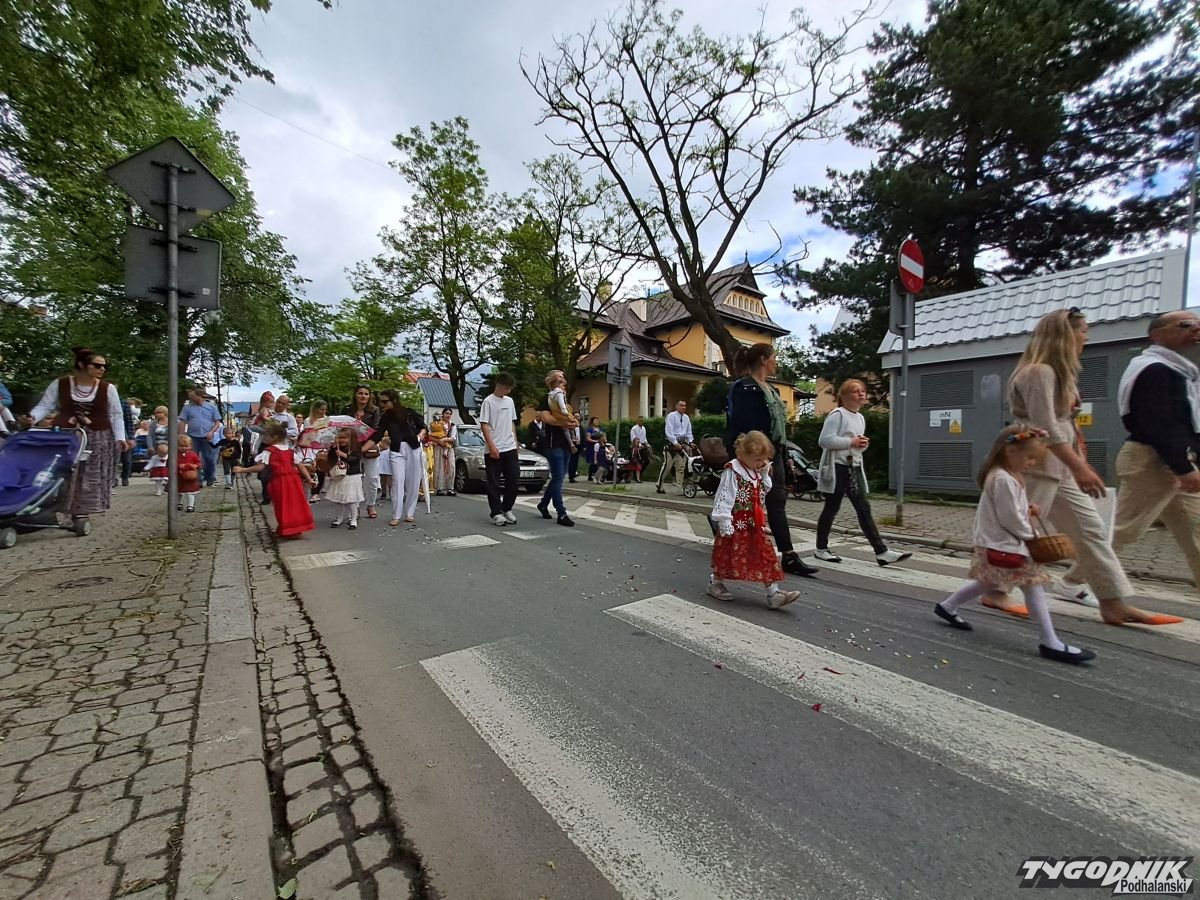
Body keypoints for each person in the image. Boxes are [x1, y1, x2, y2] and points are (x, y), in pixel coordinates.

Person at [1002, 308, 1180, 626]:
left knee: (1092, 530)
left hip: (1058, 466)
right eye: (1083, 330)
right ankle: (995, 589)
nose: (1086, 336)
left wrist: (1077, 463)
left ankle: (1113, 602)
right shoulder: (1038, 372)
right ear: (1064, 334)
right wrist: (1080, 468)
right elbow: (1045, 428)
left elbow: (1063, 426)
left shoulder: (1057, 373)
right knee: (1019, 530)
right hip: (1035, 463)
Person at [933, 425, 1097, 664]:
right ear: (1010, 451)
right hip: (1006, 544)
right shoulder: (1003, 479)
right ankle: (1050, 642)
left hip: (998, 543)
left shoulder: (1004, 475)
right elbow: (1010, 519)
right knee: (1033, 586)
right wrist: (1032, 535)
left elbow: (1009, 511)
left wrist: (1027, 509)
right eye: (1030, 457)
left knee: (989, 581)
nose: (1032, 463)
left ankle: (947, 606)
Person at [1112, 310, 1200, 588]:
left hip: (1173, 459)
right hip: (1151, 460)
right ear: (1157, 335)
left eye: (1198, 324)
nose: (1195, 329)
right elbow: (1158, 423)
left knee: (1196, 531)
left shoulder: (1180, 370)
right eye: (1186, 325)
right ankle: (1075, 580)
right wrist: (1182, 466)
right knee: (1125, 529)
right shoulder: (1153, 369)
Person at [724, 343, 819, 578]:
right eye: (774, 357)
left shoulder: (772, 390)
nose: (776, 361)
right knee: (744, 502)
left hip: (775, 454)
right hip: (756, 456)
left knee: (777, 502)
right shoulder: (744, 388)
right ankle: (722, 528)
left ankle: (788, 556)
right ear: (763, 359)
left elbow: (779, 428)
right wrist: (756, 458)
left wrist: (784, 457)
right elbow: (743, 427)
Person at [814, 379, 911, 567]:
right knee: (832, 508)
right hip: (837, 468)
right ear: (844, 396)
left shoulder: (860, 417)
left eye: (862, 391)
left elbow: (853, 445)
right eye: (855, 391)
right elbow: (824, 440)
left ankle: (881, 551)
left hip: (854, 467)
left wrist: (861, 445)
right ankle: (821, 549)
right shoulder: (837, 415)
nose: (861, 394)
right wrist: (851, 442)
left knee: (863, 508)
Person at [28, 346, 129, 524]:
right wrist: (32, 418)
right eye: (97, 365)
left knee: (88, 473)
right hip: (66, 434)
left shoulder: (108, 388)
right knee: (60, 470)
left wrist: (120, 437)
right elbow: (45, 405)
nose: (102, 369)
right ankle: (52, 507)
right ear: (82, 365)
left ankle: (82, 510)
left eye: (105, 366)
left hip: (96, 436)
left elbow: (116, 414)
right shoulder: (61, 384)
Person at [708, 430, 803, 609]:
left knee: (766, 556)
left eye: (764, 459)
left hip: (754, 525)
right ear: (743, 454)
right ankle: (716, 582)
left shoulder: (755, 471)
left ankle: (773, 593)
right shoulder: (733, 470)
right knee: (727, 556)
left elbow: (763, 491)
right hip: (736, 524)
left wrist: (765, 474)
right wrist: (724, 520)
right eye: (758, 459)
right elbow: (724, 495)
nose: (762, 463)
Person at [235, 420, 316, 538]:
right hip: (293, 481)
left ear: (274, 437)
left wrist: (243, 470)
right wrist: (309, 479)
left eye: (266, 436)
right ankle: (293, 529)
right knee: (294, 504)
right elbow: (300, 465)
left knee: (282, 505)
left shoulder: (269, 451)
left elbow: (260, 467)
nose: (264, 438)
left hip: (280, 481)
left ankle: (289, 529)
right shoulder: (290, 451)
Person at [362, 389, 426, 526]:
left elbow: (423, 426)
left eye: (384, 401)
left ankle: (409, 513)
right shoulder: (386, 417)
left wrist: (421, 435)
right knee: (397, 481)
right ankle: (396, 514)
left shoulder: (409, 412)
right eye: (380, 401)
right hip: (396, 450)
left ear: (394, 400)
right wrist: (361, 450)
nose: (381, 404)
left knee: (413, 481)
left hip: (413, 448)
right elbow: (377, 435)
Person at [479, 373, 521, 526]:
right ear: (499, 385)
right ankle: (496, 512)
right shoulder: (488, 402)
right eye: (507, 388)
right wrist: (491, 446)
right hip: (494, 447)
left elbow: (511, 422)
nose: (508, 391)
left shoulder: (509, 401)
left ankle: (507, 507)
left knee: (514, 478)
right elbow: (484, 425)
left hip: (509, 446)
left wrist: (515, 442)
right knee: (494, 482)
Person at [343, 385, 383, 517]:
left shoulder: (375, 410)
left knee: (371, 478)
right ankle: (355, 506)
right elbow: (342, 428)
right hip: (351, 447)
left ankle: (371, 504)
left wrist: (363, 446)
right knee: (353, 479)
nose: (363, 396)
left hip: (369, 447)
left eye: (366, 394)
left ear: (369, 396)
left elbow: (376, 430)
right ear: (355, 394)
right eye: (360, 393)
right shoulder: (347, 409)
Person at [178, 387, 221, 487]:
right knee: (193, 458)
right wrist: (181, 435)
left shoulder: (211, 407)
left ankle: (210, 477)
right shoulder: (187, 408)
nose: (191, 397)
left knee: (210, 459)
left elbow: (217, 422)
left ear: (200, 396)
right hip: (193, 436)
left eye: (193, 396)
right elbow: (183, 422)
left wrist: (211, 432)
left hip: (207, 436)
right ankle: (197, 479)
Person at [325, 428, 365, 529]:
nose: (341, 440)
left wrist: (344, 455)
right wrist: (333, 449)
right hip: (338, 475)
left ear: (351, 438)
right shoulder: (336, 447)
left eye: (344, 438)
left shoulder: (356, 448)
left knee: (351, 499)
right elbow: (330, 459)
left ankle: (353, 519)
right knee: (338, 500)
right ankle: (339, 518)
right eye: (339, 437)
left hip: (351, 476)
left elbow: (355, 459)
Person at [657, 400, 694, 493]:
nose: (683, 407)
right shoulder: (671, 416)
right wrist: (675, 442)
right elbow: (668, 431)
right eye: (681, 405)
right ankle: (659, 484)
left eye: (684, 406)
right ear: (676, 406)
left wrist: (690, 442)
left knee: (681, 467)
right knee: (667, 466)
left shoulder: (686, 418)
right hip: (671, 444)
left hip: (682, 444)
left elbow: (689, 432)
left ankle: (679, 487)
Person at [429, 408, 458, 496]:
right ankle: (439, 488)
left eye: (449, 414)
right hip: (438, 447)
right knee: (439, 467)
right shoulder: (436, 424)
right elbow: (429, 436)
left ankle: (450, 488)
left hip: (449, 447)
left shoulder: (452, 426)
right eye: (446, 413)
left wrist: (444, 439)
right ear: (442, 414)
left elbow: (453, 438)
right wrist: (439, 441)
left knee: (451, 467)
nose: (448, 415)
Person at [176, 435, 202, 513]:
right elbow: (169, 463)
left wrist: (195, 466)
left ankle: (190, 505)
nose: (184, 448)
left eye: (186, 446)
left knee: (190, 492)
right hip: (179, 477)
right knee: (179, 491)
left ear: (190, 446)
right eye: (181, 446)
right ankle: (179, 503)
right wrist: (178, 466)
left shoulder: (193, 454)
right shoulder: (175, 455)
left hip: (190, 477)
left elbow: (199, 463)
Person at [216, 426, 241, 490]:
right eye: (226, 433)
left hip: (234, 458)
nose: (228, 435)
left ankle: (232, 482)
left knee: (233, 470)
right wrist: (209, 442)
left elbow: (239, 450)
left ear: (232, 434)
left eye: (229, 433)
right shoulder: (222, 441)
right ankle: (228, 483)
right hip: (226, 459)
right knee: (226, 470)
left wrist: (238, 458)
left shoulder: (235, 442)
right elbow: (216, 446)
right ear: (223, 434)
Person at [629, 416, 649, 482]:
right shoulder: (634, 429)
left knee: (646, 460)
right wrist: (639, 445)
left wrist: (647, 444)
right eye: (640, 421)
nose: (641, 422)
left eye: (642, 421)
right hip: (636, 446)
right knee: (637, 461)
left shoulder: (644, 428)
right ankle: (636, 477)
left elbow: (644, 438)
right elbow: (633, 439)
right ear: (637, 421)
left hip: (643, 445)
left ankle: (640, 473)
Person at [584, 416, 602, 480]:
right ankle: (590, 476)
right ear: (592, 422)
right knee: (593, 461)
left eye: (597, 421)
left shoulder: (600, 429)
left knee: (599, 460)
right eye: (595, 421)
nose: (597, 422)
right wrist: (596, 441)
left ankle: (597, 474)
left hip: (599, 446)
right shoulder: (590, 429)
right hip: (591, 446)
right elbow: (588, 438)